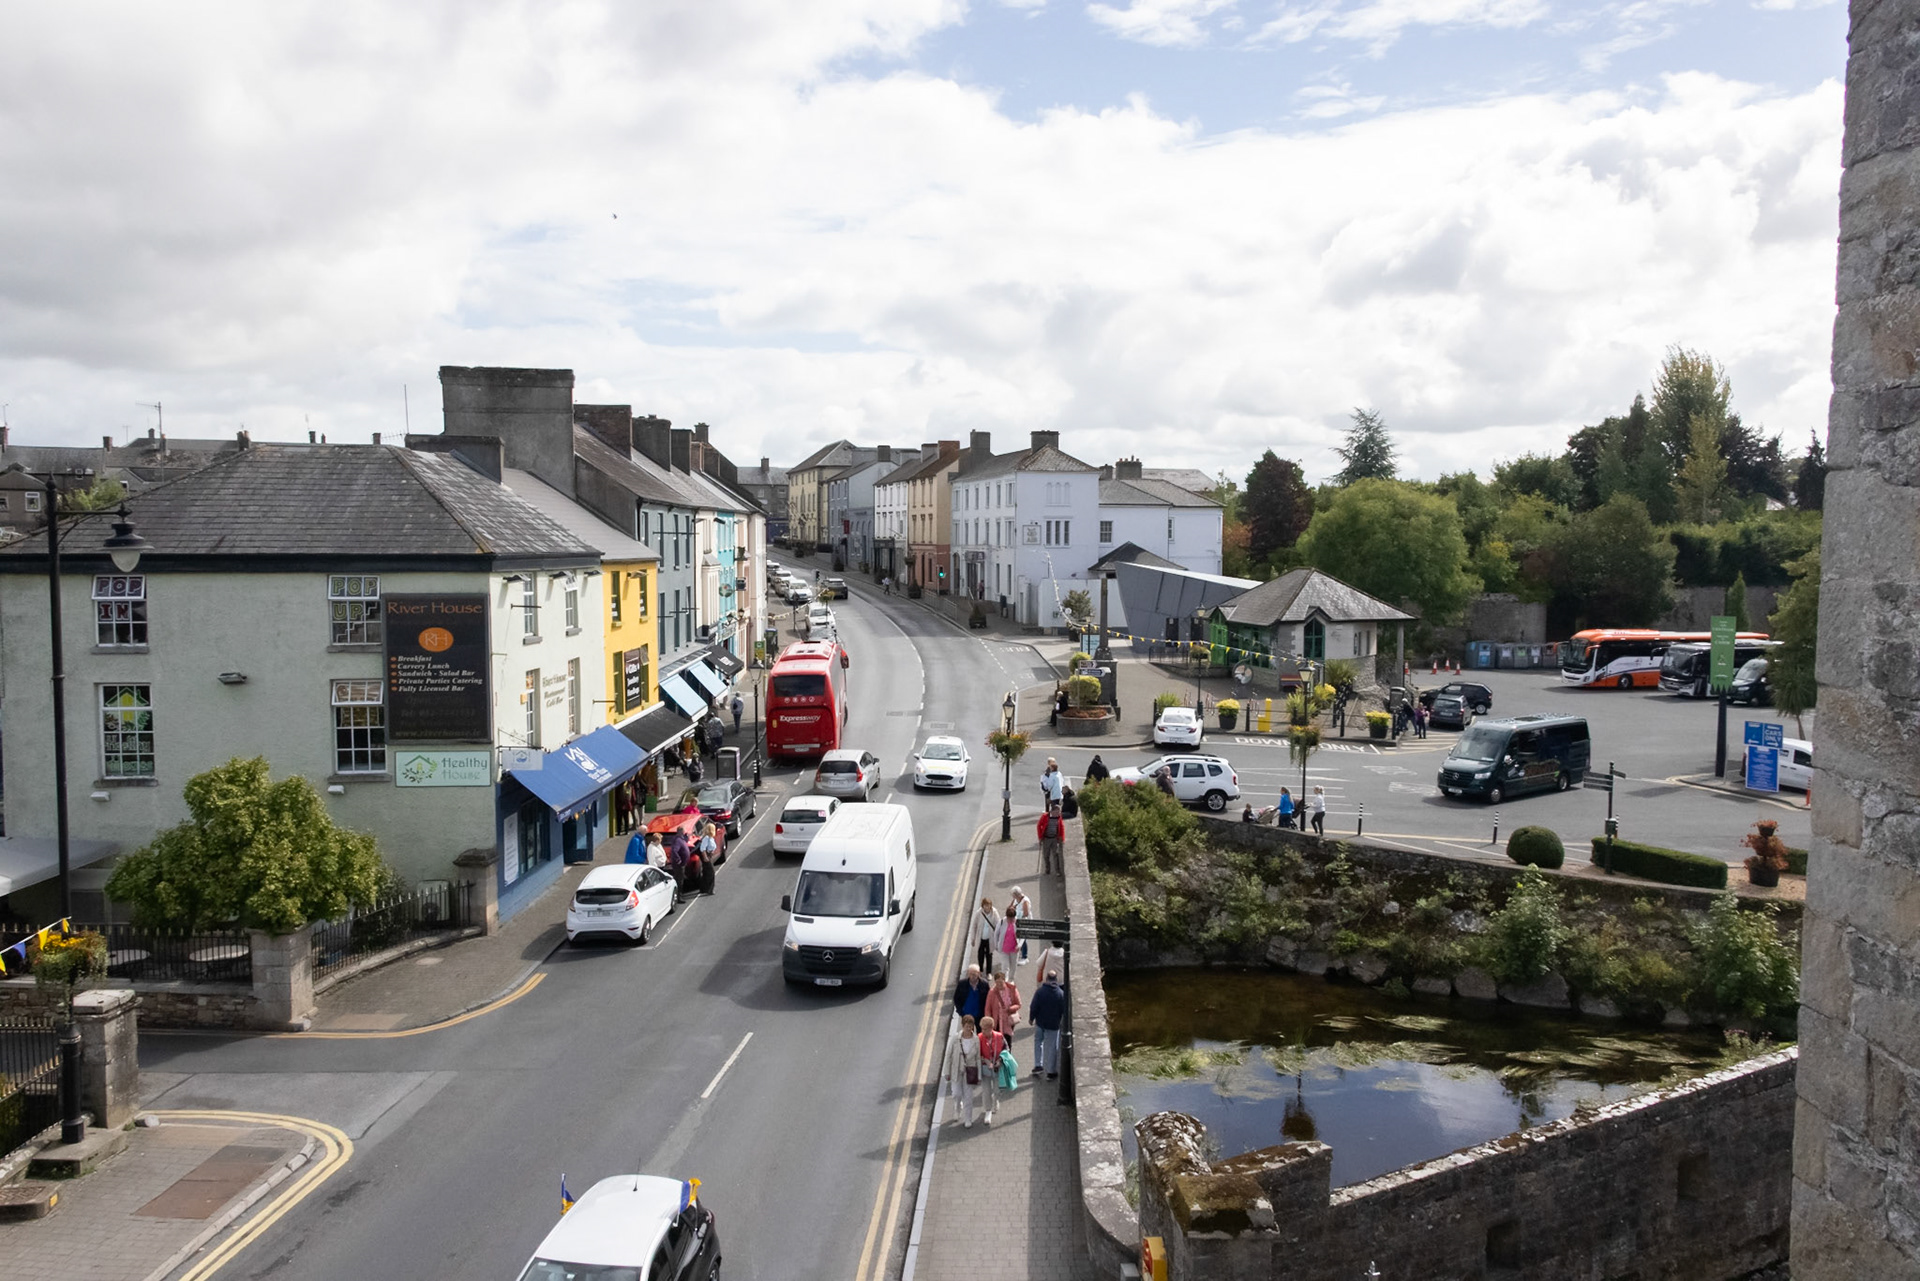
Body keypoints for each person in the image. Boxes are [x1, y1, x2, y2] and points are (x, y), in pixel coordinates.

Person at [943, 1014, 986, 1127]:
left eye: (970, 1026)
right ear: (962, 1026)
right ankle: (957, 1108)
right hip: (956, 1070)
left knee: (968, 1097)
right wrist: (946, 1072)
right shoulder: (955, 1038)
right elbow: (948, 1055)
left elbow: (978, 1058)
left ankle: (968, 1119)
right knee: (956, 1094)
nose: (968, 1028)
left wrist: (979, 1076)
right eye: (966, 1026)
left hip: (970, 1071)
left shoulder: (976, 1040)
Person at [1029, 969, 1067, 1080]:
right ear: (1056, 980)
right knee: (1052, 1048)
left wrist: (1031, 1018)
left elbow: (1034, 1006)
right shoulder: (1061, 994)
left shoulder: (1040, 992)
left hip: (1040, 1022)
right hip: (1054, 1025)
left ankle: (1038, 1065)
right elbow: (1063, 1010)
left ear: (1046, 979)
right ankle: (1051, 1071)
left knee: (1038, 1042)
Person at [976, 1015, 1006, 1125]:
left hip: (997, 1069)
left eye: (984, 1029)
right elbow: (975, 1054)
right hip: (985, 1069)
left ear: (990, 1028)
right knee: (986, 1091)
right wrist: (985, 1060)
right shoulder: (978, 1038)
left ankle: (996, 1099)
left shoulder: (999, 1037)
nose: (982, 1031)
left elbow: (1006, 1051)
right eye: (981, 1029)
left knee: (997, 1090)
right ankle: (988, 1111)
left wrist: (1000, 1060)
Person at [984, 969, 1022, 1049]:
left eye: (1001, 982)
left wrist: (1010, 1009)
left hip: (1008, 1020)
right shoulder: (992, 992)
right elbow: (987, 1008)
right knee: (997, 1042)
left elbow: (1018, 1004)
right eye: (997, 983)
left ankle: (1008, 1059)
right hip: (997, 1021)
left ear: (1005, 981)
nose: (999, 985)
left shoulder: (1012, 989)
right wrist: (989, 1021)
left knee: (1008, 1041)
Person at [996, 904, 1022, 982]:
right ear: (1006, 916)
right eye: (1009, 918)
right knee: (1005, 966)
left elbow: (1023, 935)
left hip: (1014, 949)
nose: (1011, 920)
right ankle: (1005, 981)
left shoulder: (1018, 922)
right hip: (1004, 948)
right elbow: (996, 934)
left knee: (1013, 966)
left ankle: (1011, 980)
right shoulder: (1001, 922)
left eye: (1012, 918)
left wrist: (1019, 945)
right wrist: (997, 945)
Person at [1036, 806, 1065, 875]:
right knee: (1046, 855)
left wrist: (1062, 838)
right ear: (1052, 811)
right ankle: (1047, 869)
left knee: (1056, 855)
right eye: (1057, 812)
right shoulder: (1045, 816)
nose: (1058, 813)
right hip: (1046, 838)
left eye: (1059, 812)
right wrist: (1040, 837)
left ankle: (1057, 871)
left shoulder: (1058, 817)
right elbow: (1039, 825)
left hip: (1055, 838)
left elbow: (1061, 827)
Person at [974, 897, 998, 975]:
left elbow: (998, 926)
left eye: (988, 905)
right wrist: (972, 939)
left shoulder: (994, 913)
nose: (986, 907)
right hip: (981, 938)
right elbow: (974, 925)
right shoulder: (979, 913)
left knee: (989, 955)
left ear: (990, 905)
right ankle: (980, 970)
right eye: (985, 905)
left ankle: (989, 972)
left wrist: (997, 939)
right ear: (982, 905)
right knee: (980, 955)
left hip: (989, 938)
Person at [1009, 886, 1034, 961]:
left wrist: (1017, 914)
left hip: (1024, 921)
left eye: (1013, 895)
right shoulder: (1016, 899)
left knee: (1023, 939)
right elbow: (1011, 907)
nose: (1012, 897)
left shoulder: (1025, 901)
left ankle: (1024, 957)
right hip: (1017, 922)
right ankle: (1021, 953)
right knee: (1018, 938)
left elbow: (1026, 914)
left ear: (1016, 894)